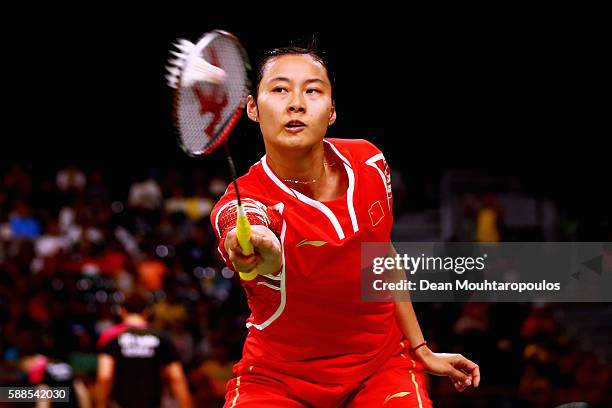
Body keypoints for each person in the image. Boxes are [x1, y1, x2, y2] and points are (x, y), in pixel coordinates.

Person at [210, 45, 480, 407]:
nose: (296, 103)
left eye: (313, 90)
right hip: (279, 380)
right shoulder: (241, 202)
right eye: (279, 89)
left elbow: (383, 257)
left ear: (332, 111)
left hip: (380, 368)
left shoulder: (369, 161)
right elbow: (242, 227)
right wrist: (255, 246)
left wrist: (421, 349)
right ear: (253, 109)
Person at [96, 290, 192, 408]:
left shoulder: (110, 337)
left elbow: (104, 377)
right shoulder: (161, 339)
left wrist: (100, 404)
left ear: (122, 310)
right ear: (147, 311)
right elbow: (177, 377)